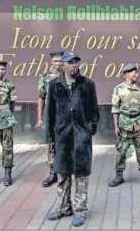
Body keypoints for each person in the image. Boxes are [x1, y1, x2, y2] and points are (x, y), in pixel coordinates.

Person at [46, 52, 100, 227]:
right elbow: (49, 113)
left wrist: (89, 130)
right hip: (62, 137)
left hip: (81, 137)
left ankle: (80, 210)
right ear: (63, 65)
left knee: (81, 175)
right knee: (62, 174)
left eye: (77, 62)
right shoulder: (54, 85)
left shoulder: (88, 84)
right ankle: (64, 208)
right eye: (71, 63)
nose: (74, 66)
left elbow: (94, 110)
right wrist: (50, 137)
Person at [109, 63, 140, 188]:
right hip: (124, 126)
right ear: (126, 74)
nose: (137, 74)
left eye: (137, 72)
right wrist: (116, 127)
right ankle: (119, 176)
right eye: (134, 72)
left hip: (139, 124)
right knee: (121, 152)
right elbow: (115, 108)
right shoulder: (118, 89)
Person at [37, 50, 64, 187]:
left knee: (66, 143)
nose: (58, 63)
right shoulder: (46, 77)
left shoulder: (69, 76)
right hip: (51, 116)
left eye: (60, 61)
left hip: (65, 116)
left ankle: (64, 172)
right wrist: (40, 117)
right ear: (51, 62)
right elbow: (41, 97)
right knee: (51, 144)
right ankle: (52, 173)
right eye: (55, 61)